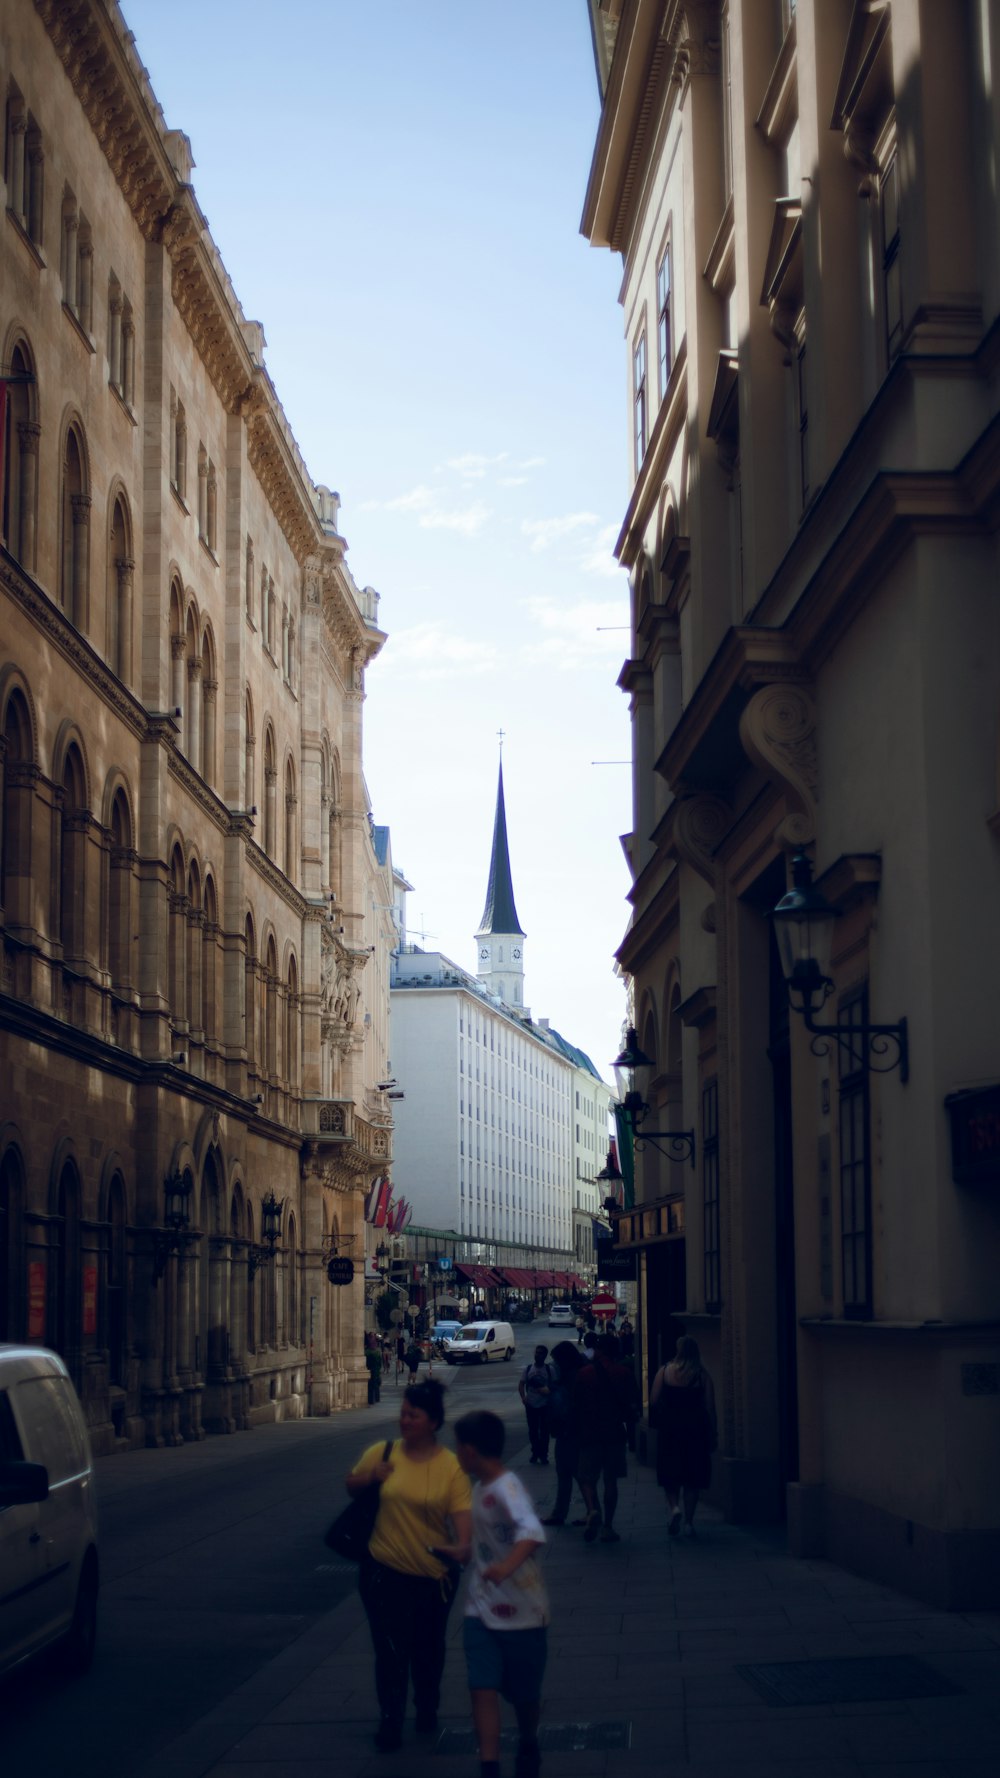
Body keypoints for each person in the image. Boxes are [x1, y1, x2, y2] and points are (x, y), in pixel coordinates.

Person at [346, 1378, 472, 1752]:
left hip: (433, 1578)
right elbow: (351, 1485)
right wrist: (371, 1477)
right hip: (383, 1572)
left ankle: (427, 1704)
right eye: (402, 1414)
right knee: (389, 1650)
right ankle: (391, 1718)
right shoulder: (383, 1453)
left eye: (412, 1415)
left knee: (428, 1649)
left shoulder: (449, 1467)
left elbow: (462, 1515)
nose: (404, 1421)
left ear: (433, 1421)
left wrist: (462, 1545)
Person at [440, 1409, 549, 1778]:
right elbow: (483, 1546)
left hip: (524, 1611)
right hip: (481, 1608)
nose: (455, 1453)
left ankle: (529, 1740)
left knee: (524, 1696)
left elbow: (531, 1532)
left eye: (458, 1446)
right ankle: (490, 1765)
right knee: (481, 1687)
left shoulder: (507, 1487)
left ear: (470, 1451)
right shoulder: (479, 1487)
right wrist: (461, 1551)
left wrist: (505, 1567)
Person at [649, 1335, 717, 1539]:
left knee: (671, 1472)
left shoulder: (665, 1370)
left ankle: (674, 1508)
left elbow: (653, 1400)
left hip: (671, 1428)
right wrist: (713, 1433)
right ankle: (689, 1522)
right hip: (695, 1429)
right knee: (692, 1477)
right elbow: (710, 1408)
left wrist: (666, 1410)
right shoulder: (702, 1376)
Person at [573, 1332, 637, 1543]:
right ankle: (608, 1527)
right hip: (614, 1434)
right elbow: (631, 1402)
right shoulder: (624, 1373)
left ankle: (592, 1508)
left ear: (599, 1350)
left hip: (589, 1433)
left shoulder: (584, 1373)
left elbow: (576, 1405)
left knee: (585, 1477)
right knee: (611, 1481)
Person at [540, 1340, 587, 1527]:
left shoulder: (571, 1378)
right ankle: (564, 1511)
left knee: (570, 1471)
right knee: (570, 1472)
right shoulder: (577, 1373)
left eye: (557, 1361)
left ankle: (582, 1510)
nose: (555, 1365)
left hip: (569, 1431)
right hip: (573, 1430)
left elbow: (566, 1405)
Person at [518, 1344, 553, 1466]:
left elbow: (554, 1385)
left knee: (544, 1431)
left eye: (540, 1353)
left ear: (545, 1355)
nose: (537, 1355)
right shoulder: (528, 1369)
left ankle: (543, 1455)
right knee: (533, 1431)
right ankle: (535, 1452)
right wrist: (523, 1398)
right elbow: (521, 1384)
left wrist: (549, 1394)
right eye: (536, 1352)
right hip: (531, 1404)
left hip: (545, 1405)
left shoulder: (549, 1370)